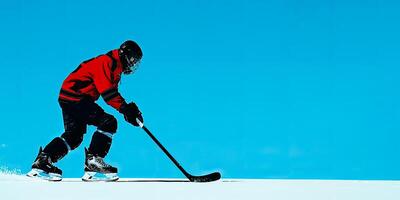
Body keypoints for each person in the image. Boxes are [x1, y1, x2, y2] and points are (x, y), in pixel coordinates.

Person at [27, 40, 144, 181]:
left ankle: (44, 160)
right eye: (132, 60)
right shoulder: (106, 62)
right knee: (108, 122)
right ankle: (94, 160)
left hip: (70, 97)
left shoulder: (115, 67)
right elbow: (108, 93)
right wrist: (125, 109)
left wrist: (128, 111)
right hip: (76, 97)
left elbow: (112, 92)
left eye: (135, 62)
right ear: (124, 54)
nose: (132, 65)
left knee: (74, 135)